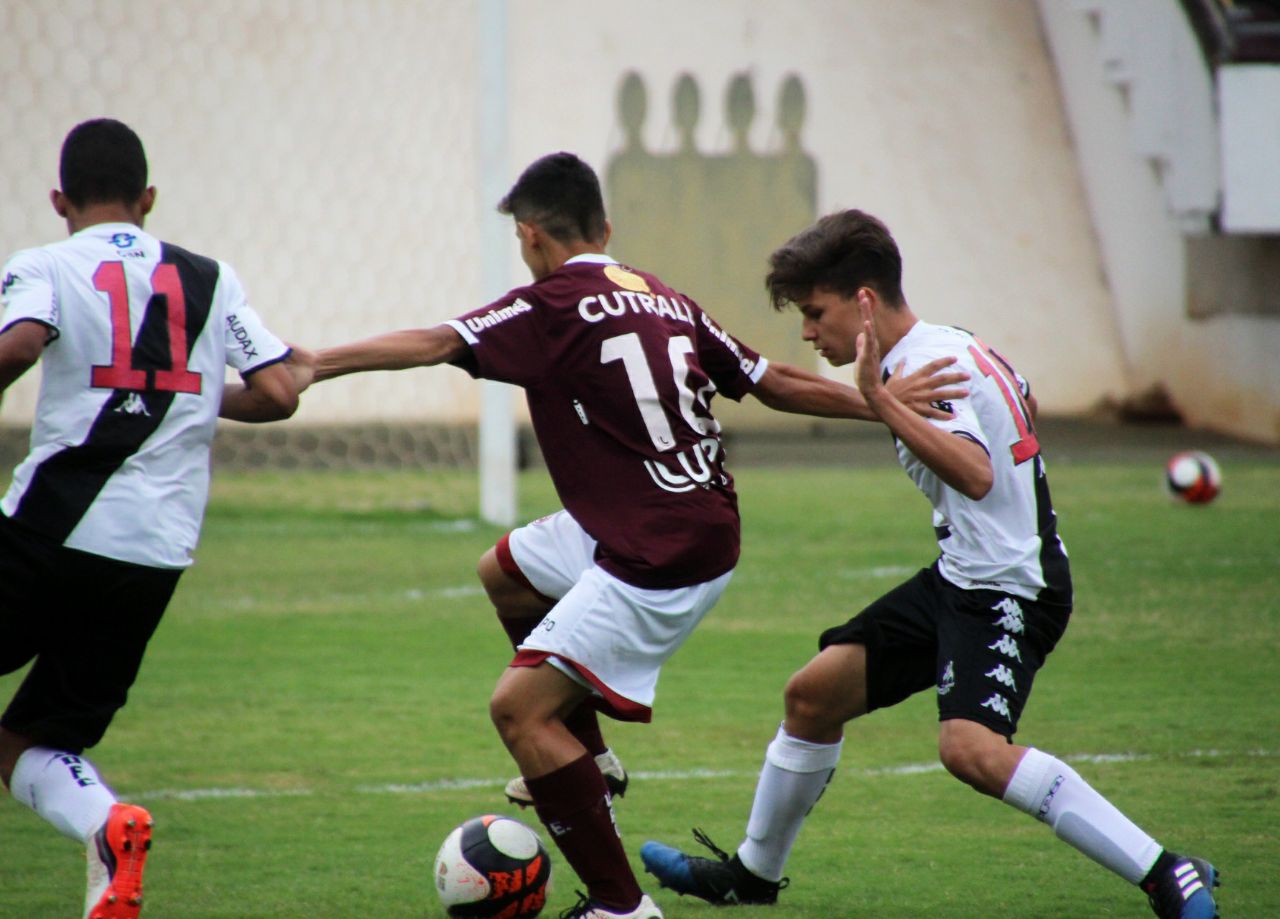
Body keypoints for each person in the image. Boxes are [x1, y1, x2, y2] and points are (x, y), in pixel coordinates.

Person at [308, 154, 965, 919]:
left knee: (520, 710)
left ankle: (622, 907)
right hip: (681, 521)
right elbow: (770, 380)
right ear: (606, 228)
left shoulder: (549, 302)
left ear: (529, 236)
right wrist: (877, 399)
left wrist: (315, 363)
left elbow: (434, 340)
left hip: (658, 553)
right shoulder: (662, 296)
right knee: (507, 570)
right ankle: (595, 759)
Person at [640, 209, 1220, 919]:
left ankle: (1166, 869)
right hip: (959, 578)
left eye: (814, 312)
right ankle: (752, 875)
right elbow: (1021, 396)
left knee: (970, 749)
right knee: (812, 695)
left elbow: (975, 473)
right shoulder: (948, 345)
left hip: (1011, 588)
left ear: (862, 301)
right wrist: (898, 406)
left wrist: (884, 403)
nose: (806, 331)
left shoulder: (914, 367)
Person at [0, 118, 309, 919]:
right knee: (32, 740)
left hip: (50, 529)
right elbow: (278, 391)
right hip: (153, 554)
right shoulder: (210, 277)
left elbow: (21, 342)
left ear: (59, 200)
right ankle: (107, 825)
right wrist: (199, 398)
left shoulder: (46, 263)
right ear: (148, 199)